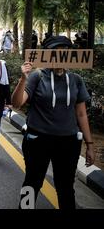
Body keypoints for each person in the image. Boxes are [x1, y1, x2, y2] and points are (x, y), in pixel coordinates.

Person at [11, 36, 95, 209]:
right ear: (48, 54)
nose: (62, 55)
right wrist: (23, 79)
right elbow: (17, 103)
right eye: (57, 51)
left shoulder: (76, 80)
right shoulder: (37, 76)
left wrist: (90, 144)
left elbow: (81, 114)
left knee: (65, 188)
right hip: (37, 140)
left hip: (68, 142)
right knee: (32, 183)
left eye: (66, 51)